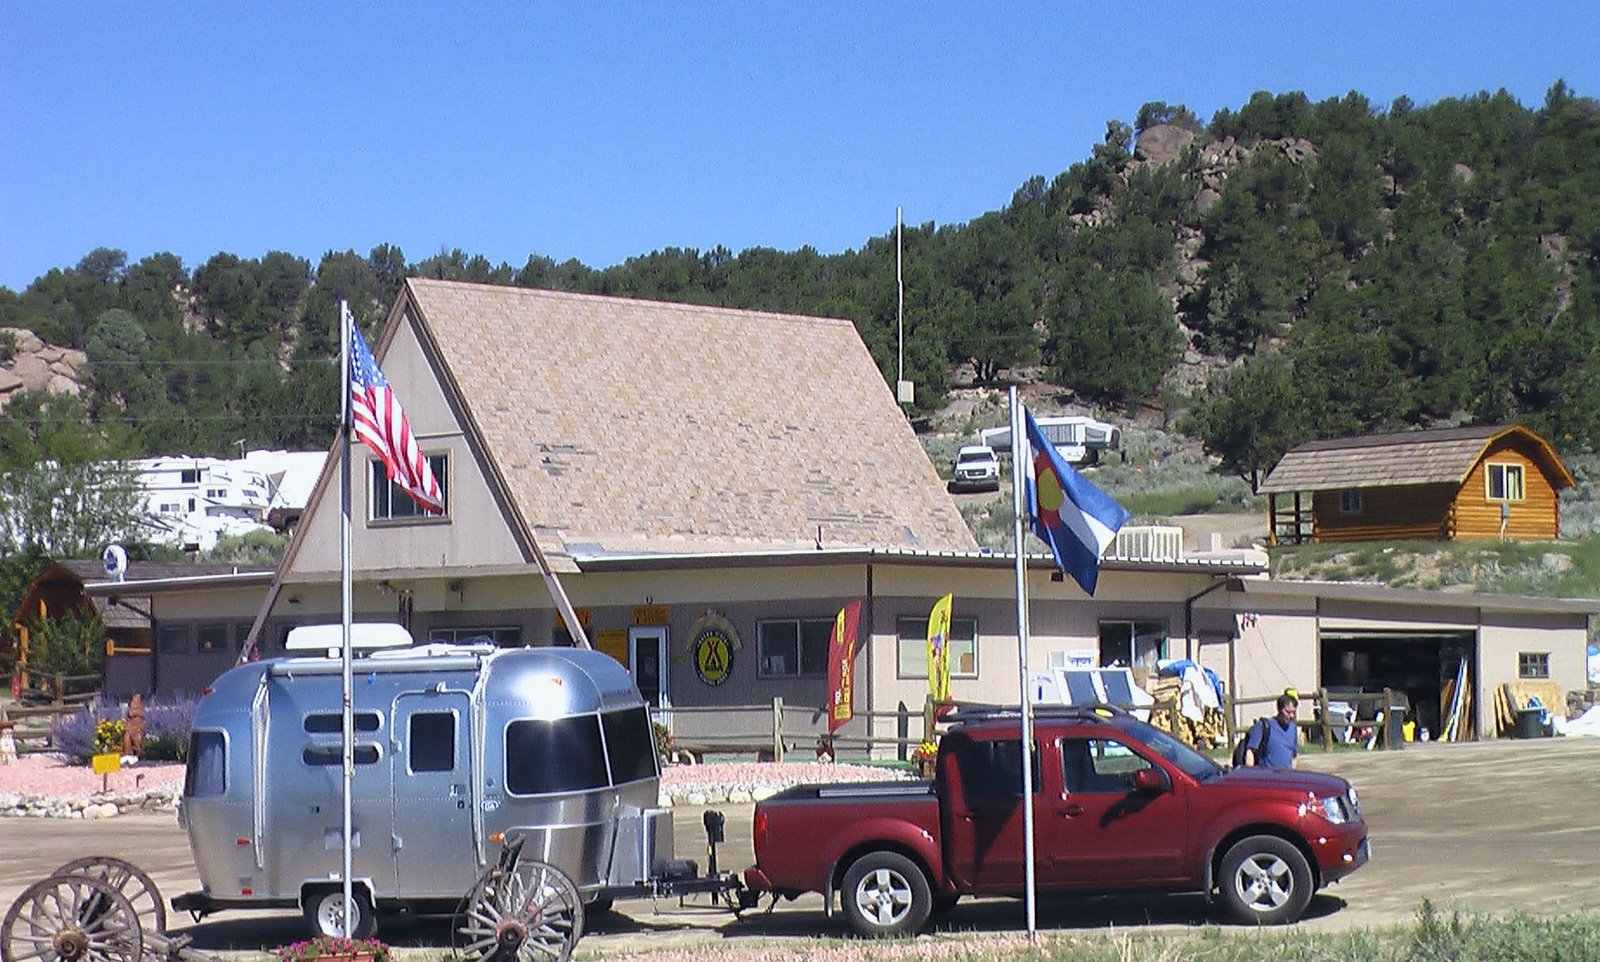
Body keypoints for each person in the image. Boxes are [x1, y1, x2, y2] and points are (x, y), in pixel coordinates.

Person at [1243, 693, 1300, 769]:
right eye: (1288, 712)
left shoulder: (1293, 728)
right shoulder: (1263, 726)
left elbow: (1294, 755)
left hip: (1287, 777)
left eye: (1294, 712)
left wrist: (1293, 774)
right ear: (1279, 710)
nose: (1291, 716)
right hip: (1267, 776)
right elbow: (1250, 752)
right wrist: (1250, 774)